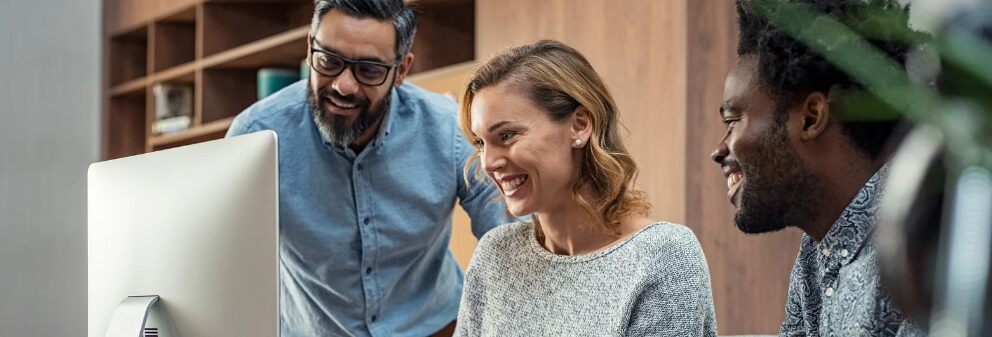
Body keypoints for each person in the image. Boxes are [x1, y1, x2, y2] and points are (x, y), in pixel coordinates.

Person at [225, 0, 508, 336]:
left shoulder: (448, 131)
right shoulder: (256, 136)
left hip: (436, 328)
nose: (343, 86)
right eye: (328, 61)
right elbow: (223, 258)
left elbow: (508, 238)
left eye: (369, 70)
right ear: (309, 48)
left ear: (401, 70)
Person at [453, 40, 717, 337]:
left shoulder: (663, 256)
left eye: (507, 135)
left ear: (579, 126)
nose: (488, 163)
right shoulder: (495, 254)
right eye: (480, 143)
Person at [712, 0, 928, 335]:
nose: (719, 149)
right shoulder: (816, 255)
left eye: (733, 120)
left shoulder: (918, 240)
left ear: (811, 117)